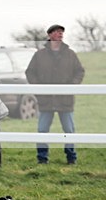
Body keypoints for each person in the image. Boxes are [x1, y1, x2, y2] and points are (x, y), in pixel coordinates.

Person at [25, 24, 85, 165]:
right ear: (50, 35)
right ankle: (42, 158)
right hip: (46, 100)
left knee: (69, 130)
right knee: (42, 130)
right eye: (57, 32)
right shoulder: (39, 55)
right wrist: (39, 89)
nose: (60, 34)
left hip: (65, 100)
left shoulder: (70, 54)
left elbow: (79, 71)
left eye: (62, 32)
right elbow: (30, 72)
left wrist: (72, 86)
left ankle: (71, 158)